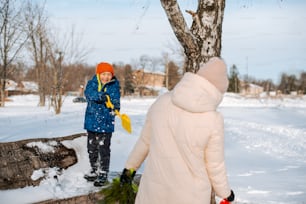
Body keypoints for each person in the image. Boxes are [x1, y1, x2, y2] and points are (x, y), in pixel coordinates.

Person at [120, 57, 235, 203]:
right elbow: (214, 164)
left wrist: (129, 168)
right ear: (217, 92)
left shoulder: (161, 102)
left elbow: (144, 141)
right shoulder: (213, 119)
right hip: (190, 194)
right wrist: (225, 192)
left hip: (155, 190)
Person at [83, 62, 120, 187]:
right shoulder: (92, 83)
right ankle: (94, 169)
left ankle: (103, 172)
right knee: (92, 148)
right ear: (98, 74)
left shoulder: (114, 86)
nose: (106, 77)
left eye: (108, 74)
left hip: (106, 123)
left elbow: (116, 100)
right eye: (103, 74)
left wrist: (115, 108)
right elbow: (89, 94)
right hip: (91, 121)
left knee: (103, 149)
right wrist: (101, 96)